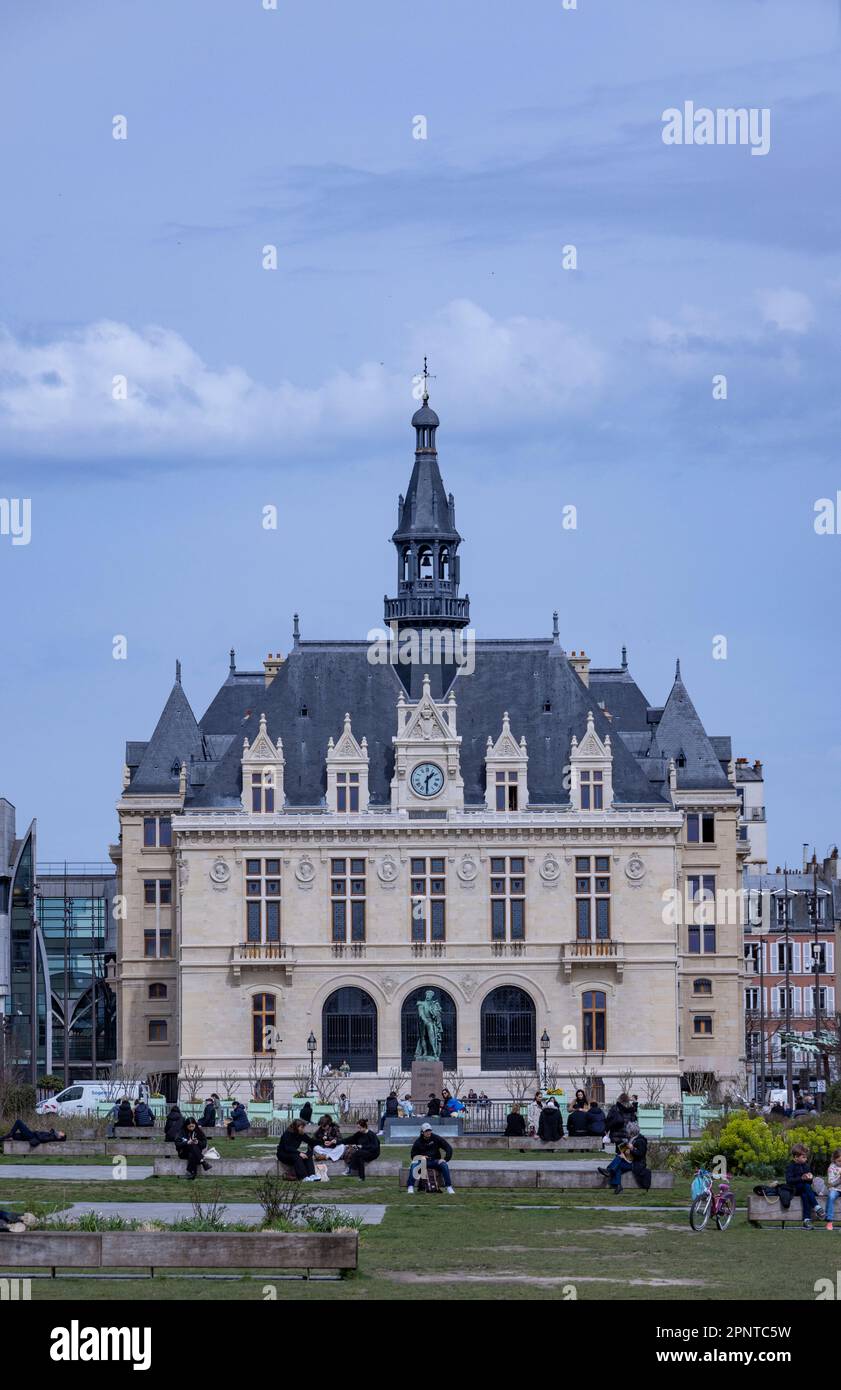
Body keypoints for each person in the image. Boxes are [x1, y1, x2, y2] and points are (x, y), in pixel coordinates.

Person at [407, 1122, 455, 1194]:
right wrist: (421, 1157)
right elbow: (413, 1155)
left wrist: (445, 1159)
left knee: (444, 1165)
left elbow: (448, 1148)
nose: (428, 1132)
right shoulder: (418, 1142)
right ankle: (410, 1186)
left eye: (429, 1130)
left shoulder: (436, 1138)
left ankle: (449, 1187)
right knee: (413, 1165)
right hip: (423, 1162)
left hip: (435, 1161)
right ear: (422, 1132)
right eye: (426, 1131)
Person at [784, 1143, 825, 1228]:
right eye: (803, 1157)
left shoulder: (806, 1166)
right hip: (794, 1189)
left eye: (806, 1157)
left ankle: (806, 1220)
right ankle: (817, 1207)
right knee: (806, 1187)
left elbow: (809, 1183)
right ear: (796, 1157)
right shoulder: (790, 1166)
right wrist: (801, 1178)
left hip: (804, 1190)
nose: (806, 1159)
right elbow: (789, 1181)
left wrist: (810, 1178)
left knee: (805, 1195)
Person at [0, 1119, 66, 1148]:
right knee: (14, 1136)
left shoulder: (52, 1137)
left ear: (60, 1137)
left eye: (62, 1133)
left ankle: (10, 1135)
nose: (61, 1131)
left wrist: (37, 1132)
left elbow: (41, 1139)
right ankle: (7, 1137)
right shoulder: (53, 1134)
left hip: (31, 1136)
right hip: (31, 1135)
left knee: (18, 1122)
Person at [627, 1124, 651, 1190]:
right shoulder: (632, 1139)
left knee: (618, 1163)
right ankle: (617, 1185)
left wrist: (632, 1149)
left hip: (638, 1163)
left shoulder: (640, 1141)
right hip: (631, 1161)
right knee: (618, 1159)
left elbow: (640, 1154)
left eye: (628, 1132)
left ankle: (609, 1171)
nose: (627, 1133)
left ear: (632, 1132)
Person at [825, 1148, 841, 1231]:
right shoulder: (832, 1167)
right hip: (835, 1189)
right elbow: (831, 1183)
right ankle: (829, 1220)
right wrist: (839, 1180)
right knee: (831, 1196)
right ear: (834, 1160)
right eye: (839, 1161)